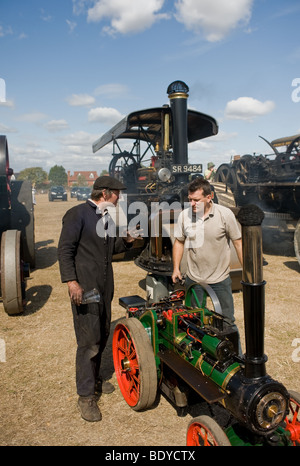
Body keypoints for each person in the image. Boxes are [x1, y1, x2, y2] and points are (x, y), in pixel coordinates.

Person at [58, 175, 136, 422]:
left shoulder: (107, 218)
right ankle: (86, 396)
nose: (119, 197)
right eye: (117, 193)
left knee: (102, 333)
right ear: (105, 193)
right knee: (89, 341)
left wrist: (127, 240)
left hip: (104, 288)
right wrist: (72, 281)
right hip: (86, 288)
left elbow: (111, 250)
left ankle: (96, 380)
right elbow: (65, 249)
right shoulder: (77, 214)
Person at [172, 177, 243, 354]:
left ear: (210, 196)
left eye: (196, 200)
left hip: (220, 279)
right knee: (194, 320)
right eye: (190, 199)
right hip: (194, 279)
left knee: (227, 322)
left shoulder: (224, 214)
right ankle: (199, 356)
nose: (192, 204)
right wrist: (176, 268)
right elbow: (179, 242)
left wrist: (247, 271)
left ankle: (238, 358)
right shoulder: (184, 216)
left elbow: (238, 242)